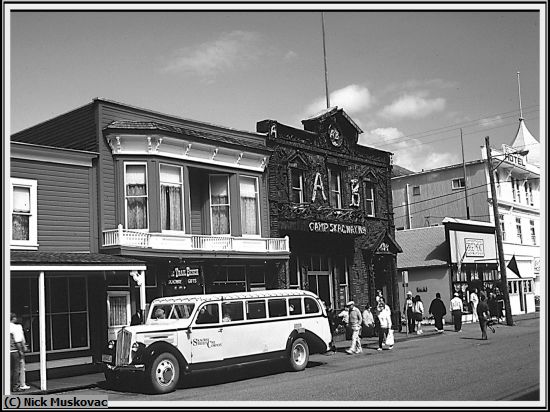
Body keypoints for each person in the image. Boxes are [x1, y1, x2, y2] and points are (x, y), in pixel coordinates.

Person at [10, 313, 29, 392]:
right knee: (16, 369)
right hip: (14, 351)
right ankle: (15, 386)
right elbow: (17, 341)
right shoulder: (16, 327)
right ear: (13, 318)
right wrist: (21, 351)